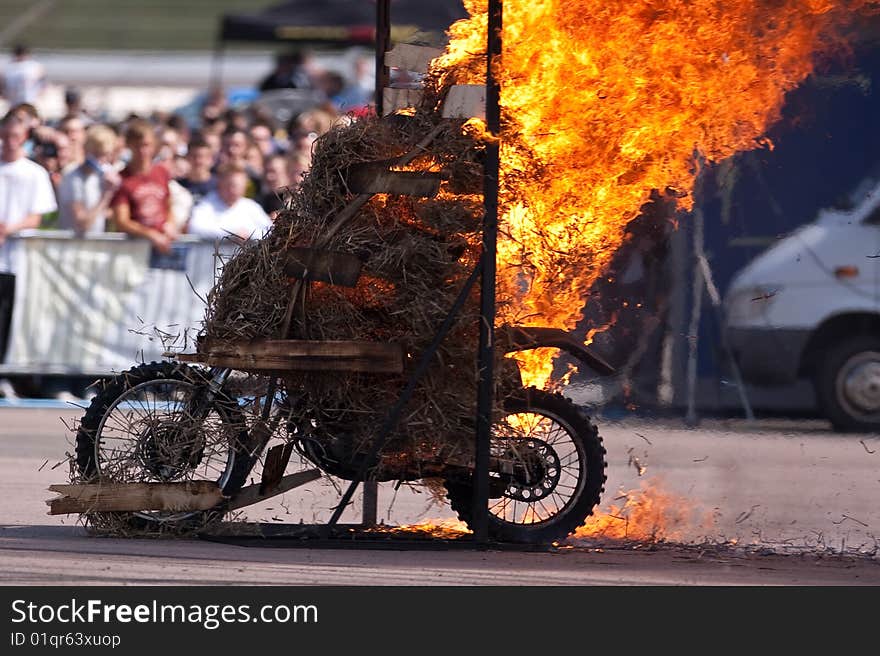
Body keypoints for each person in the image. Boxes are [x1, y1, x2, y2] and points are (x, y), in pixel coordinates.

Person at [0, 112, 56, 381]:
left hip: (17, 260)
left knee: (9, 320)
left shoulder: (34, 172)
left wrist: (9, 229)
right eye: (6, 135)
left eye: (15, 136)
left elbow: (37, 215)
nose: (10, 142)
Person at [110, 119, 179, 254]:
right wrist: (151, 235)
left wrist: (170, 224)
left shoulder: (161, 172)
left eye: (146, 145)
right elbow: (122, 221)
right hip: (134, 248)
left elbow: (168, 206)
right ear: (129, 146)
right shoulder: (122, 179)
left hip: (162, 244)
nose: (143, 151)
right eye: (138, 146)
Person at [57, 124, 121, 236]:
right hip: (73, 248)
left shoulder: (107, 174)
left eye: (106, 155)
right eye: (97, 154)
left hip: (98, 246)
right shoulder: (72, 176)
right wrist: (106, 195)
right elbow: (82, 224)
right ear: (87, 151)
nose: (101, 160)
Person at [187, 162, 272, 241]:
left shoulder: (251, 206)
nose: (234, 190)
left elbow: (270, 231)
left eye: (239, 186)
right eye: (231, 185)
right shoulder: (206, 204)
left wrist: (249, 234)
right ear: (220, 183)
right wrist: (231, 234)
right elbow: (194, 227)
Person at [256, 153, 291, 219]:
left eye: (274, 172)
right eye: (266, 172)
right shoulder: (257, 204)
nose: (269, 177)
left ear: (287, 172)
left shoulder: (297, 204)